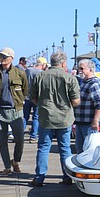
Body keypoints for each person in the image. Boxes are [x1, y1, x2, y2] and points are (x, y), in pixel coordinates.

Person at [29, 51, 80, 187]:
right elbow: (76, 101)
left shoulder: (40, 77)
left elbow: (32, 97)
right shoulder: (69, 78)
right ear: (63, 63)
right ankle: (67, 177)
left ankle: (39, 177)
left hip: (46, 118)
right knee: (65, 148)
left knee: (43, 148)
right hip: (64, 118)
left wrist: (42, 104)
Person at [0, 47, 28, 176]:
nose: (2, 58)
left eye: (4, 56)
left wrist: (19, 101)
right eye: (0, 56)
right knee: (2, 141)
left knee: (20, 139)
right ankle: (7, 166)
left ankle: (15, 160)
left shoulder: (19, 73)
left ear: (11, 58)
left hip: (16, 110)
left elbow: (25, 90)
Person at [73, 59, 100, 154]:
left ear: (90, 70)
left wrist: (95, 121)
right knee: (80, 150)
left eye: (82, 68)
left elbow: (99, 103)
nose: (80, 70)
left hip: (89, 123)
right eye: (79, 68)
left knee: (89, 151)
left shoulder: (94, 83)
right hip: (80, 122)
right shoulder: (83, 82)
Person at [23, 57, 47, 143]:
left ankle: (19, 134)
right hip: (38, 97)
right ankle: (33, 136)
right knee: (36, 117)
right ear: (43, 64)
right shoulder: (42, 73)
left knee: (25, 116)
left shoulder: (28, 70)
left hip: (27, 96)